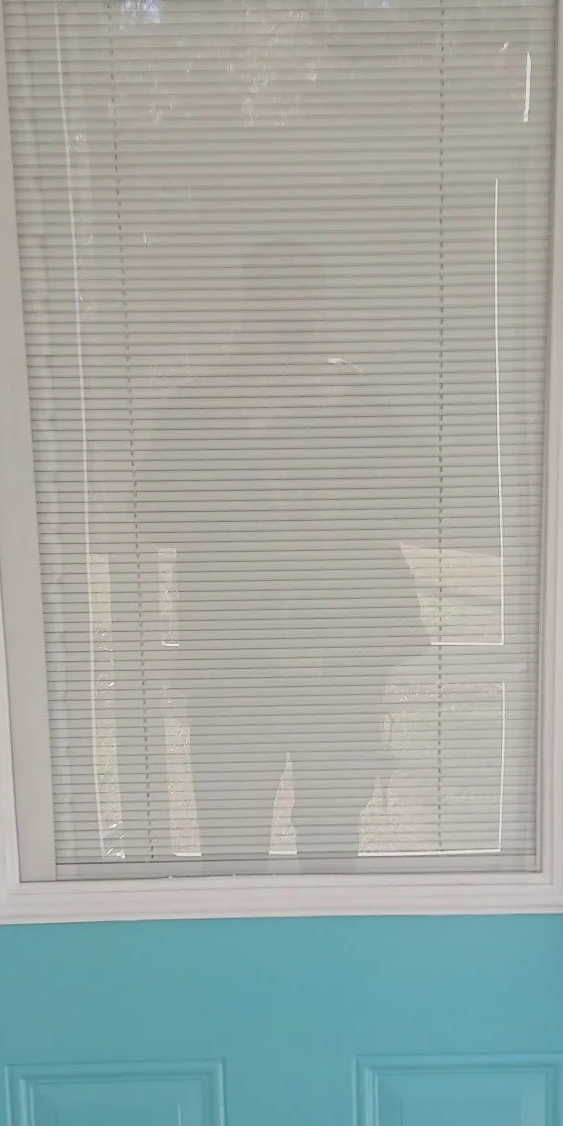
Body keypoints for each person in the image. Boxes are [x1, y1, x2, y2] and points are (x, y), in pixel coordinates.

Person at [140, 245, 430, 867]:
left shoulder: (356, 398)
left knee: (333, 827)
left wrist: (340, 409)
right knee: (231, 829)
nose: (293, 325)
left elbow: (423, 499)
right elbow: (154, 513)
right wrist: (246, 419)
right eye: (277, 309)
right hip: (234, 656)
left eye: (307, 309)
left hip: (342, 652)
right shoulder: (201, 404)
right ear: (245, 313)